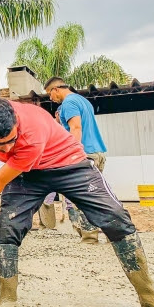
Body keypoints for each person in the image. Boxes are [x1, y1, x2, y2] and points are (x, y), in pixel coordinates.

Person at [0, 98, 154, 307]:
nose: (7, 148)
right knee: (7, 226)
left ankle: (150, 298)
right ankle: (7, 299)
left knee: (116, 217)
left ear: (17, 123)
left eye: (11, 140)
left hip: (69, 164)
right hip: (28, 174)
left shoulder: (31, 133)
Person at [45, 77, 108, 243]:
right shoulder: (82, 101)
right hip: (97, 152)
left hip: (84, 154)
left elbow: (76, 127)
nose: (50, 99)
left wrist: (72, 154)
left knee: (84, 198)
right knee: (99, 196)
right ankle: (115, 234)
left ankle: (90, 238)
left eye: (49, 94)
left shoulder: (69, 103)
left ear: (55, 89)